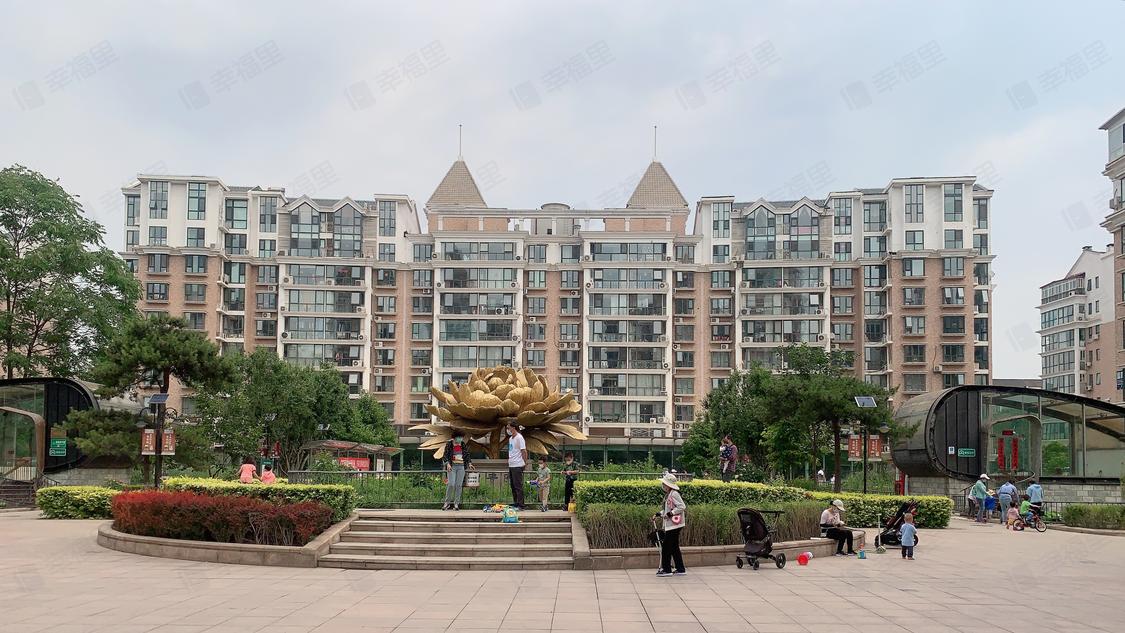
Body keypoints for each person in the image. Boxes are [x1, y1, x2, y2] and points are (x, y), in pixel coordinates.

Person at [656, 472, 687, 576]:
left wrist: (671, 513)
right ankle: (680, 568)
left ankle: (667, 570)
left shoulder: (674, 494)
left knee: (666, 547)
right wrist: (659, 514)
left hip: (674, 525)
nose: (663, 485)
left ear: (668, 485)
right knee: (674, 547)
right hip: (673, 525)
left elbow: (682, 506)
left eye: (664, 484)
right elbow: (668, 509)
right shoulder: (669, 494)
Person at [442, 430, 475, 511]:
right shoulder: (449, 444)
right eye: (459, 437)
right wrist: (448, 464)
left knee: (459, 485)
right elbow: (445, 455)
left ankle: (456, 504)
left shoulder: (462, 444)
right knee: (451, 484)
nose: (460, 439)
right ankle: (447, 503)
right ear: (454, 437)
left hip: (461, 467)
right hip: (452, 467)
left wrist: (469, 463)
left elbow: (466, 455)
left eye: (461, 437)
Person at [506, 422, 528, 509]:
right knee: (513, 485)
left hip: (518, 464)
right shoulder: (510, 439)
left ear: (513, 428)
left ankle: (521, 505)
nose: (508, 430)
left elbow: (524, 451)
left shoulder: (519, 437)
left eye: (509, 428)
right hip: (511, 464)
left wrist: (524, 462)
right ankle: (516, 502)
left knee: (518, 485)